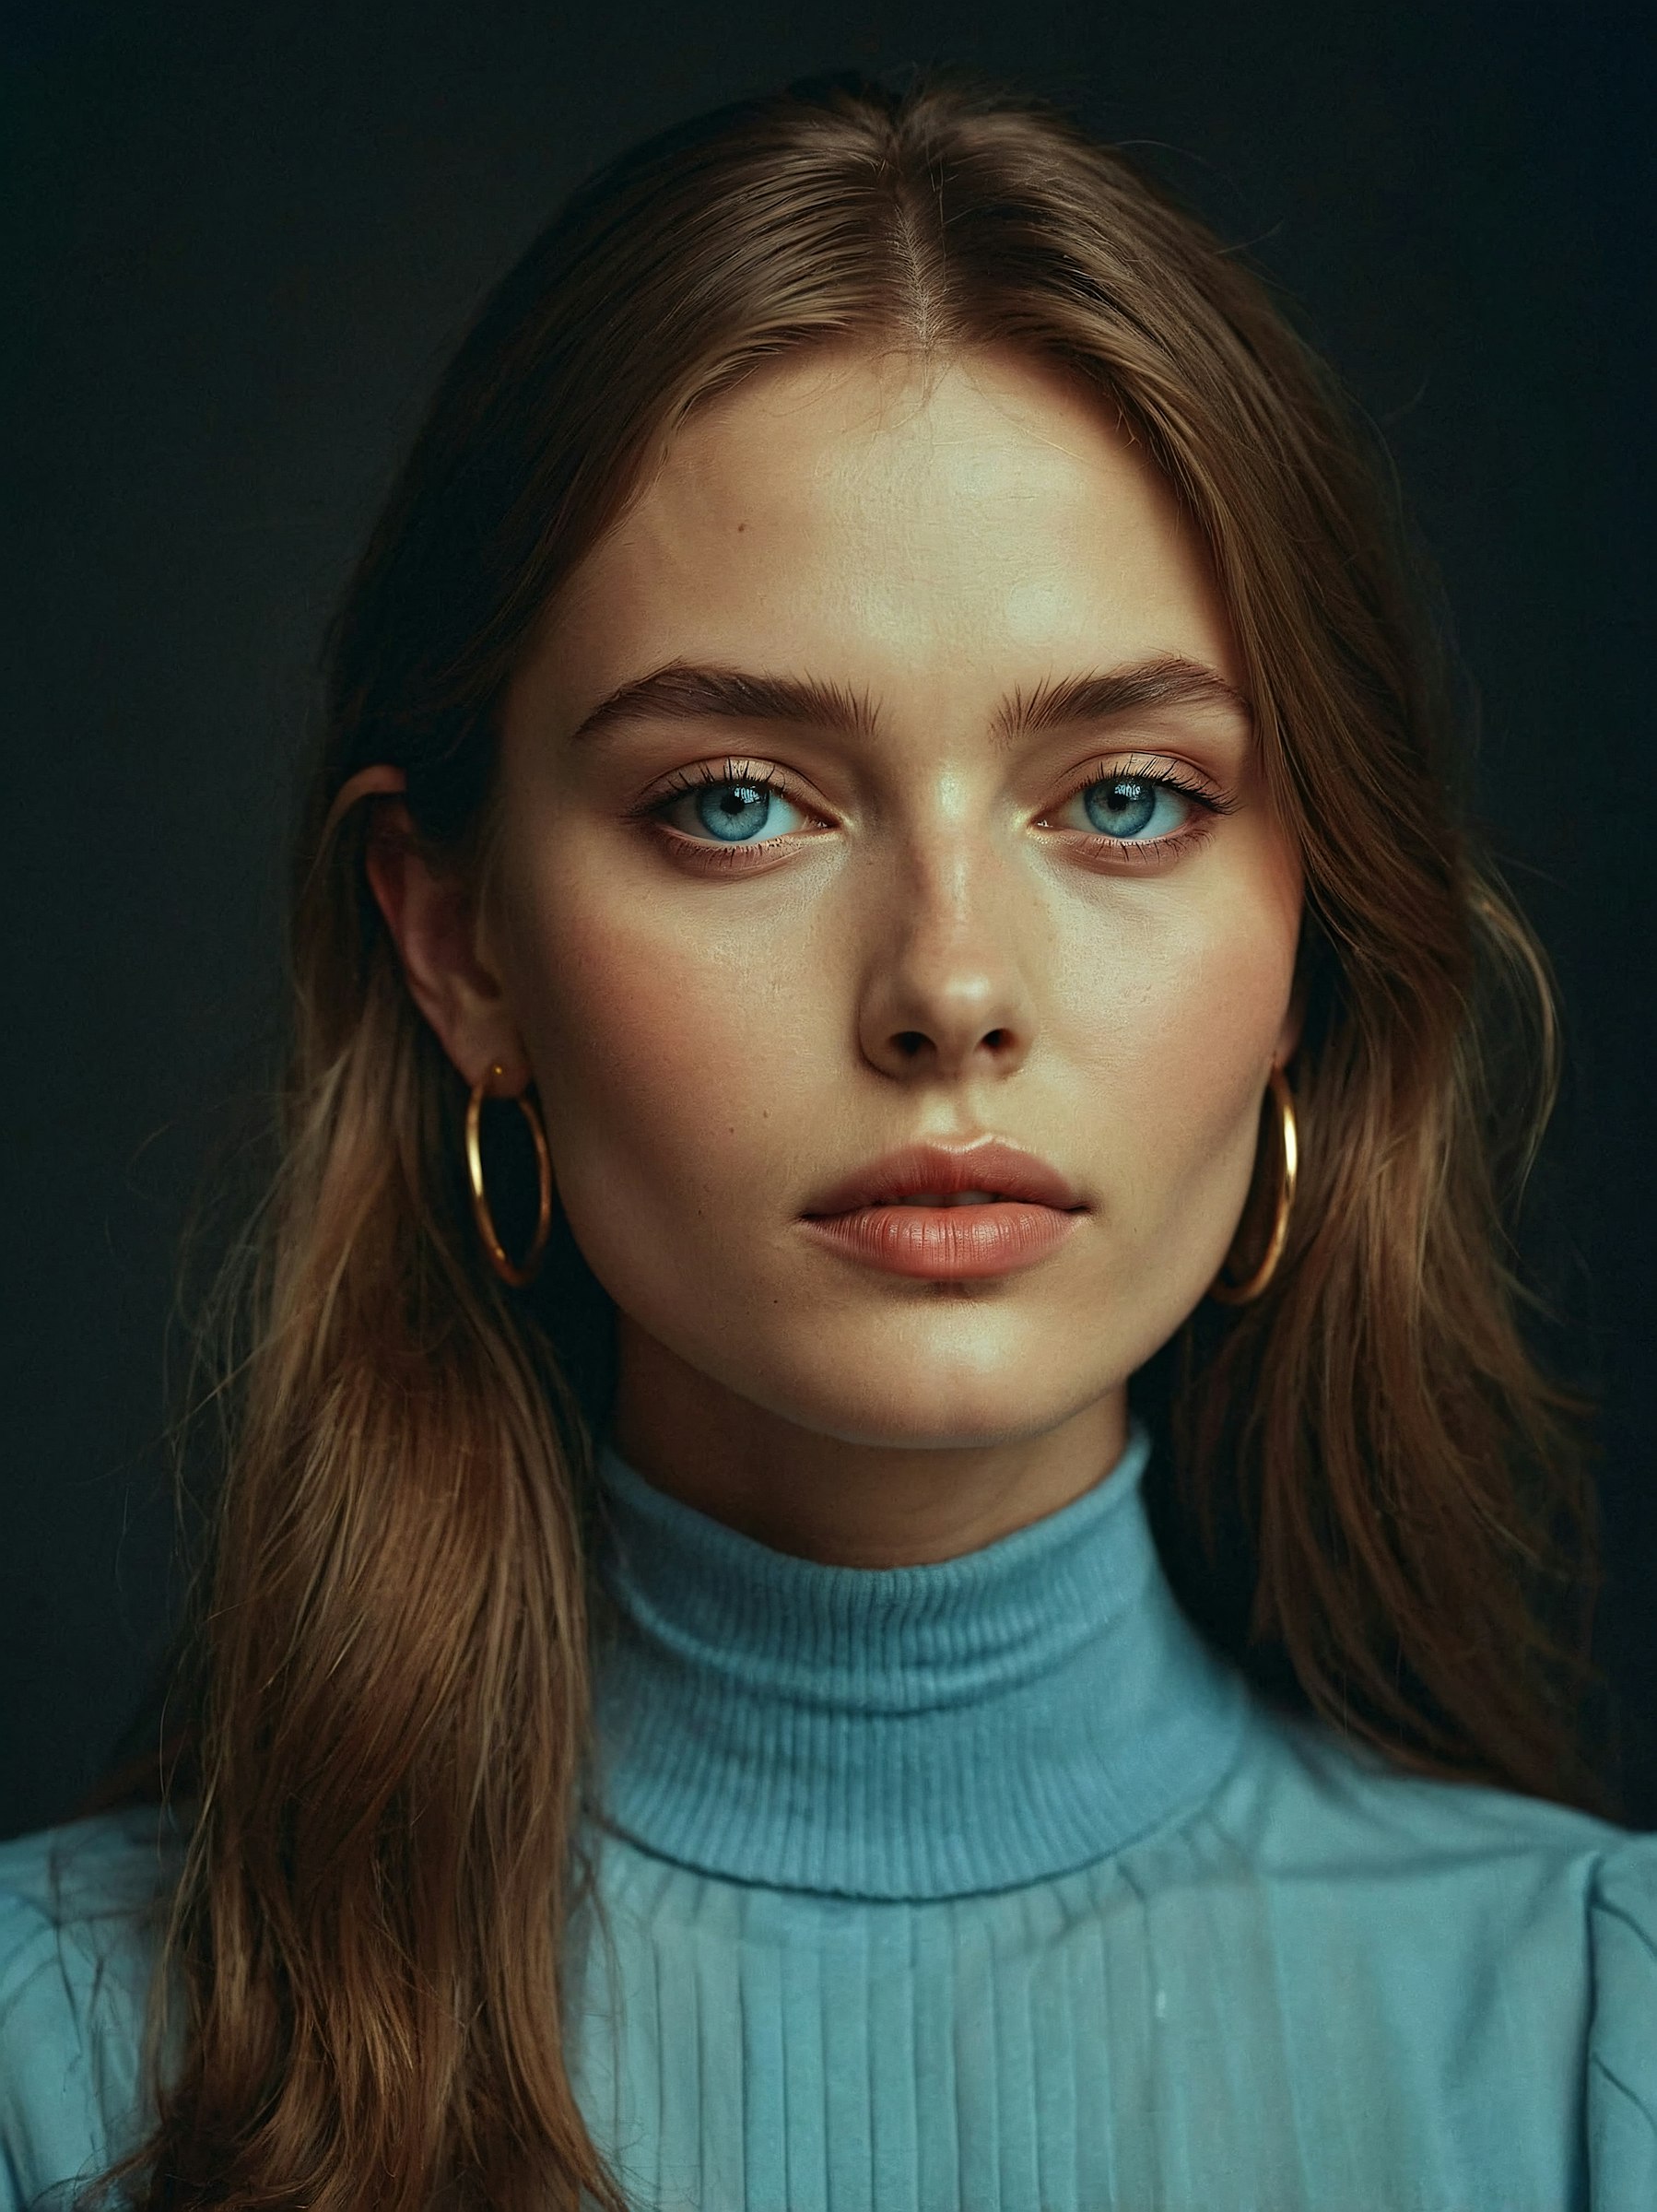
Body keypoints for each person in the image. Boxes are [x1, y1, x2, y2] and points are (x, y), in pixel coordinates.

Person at [1, 66, 1651, 2212]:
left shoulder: (1593, 2048)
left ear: (1310, 947)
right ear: (457, 939)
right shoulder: (59, 2071)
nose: (947, 987)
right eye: (736, 802)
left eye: (1124, 797)